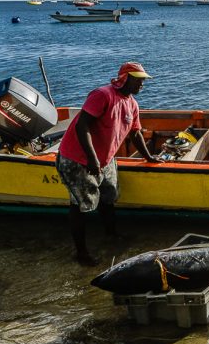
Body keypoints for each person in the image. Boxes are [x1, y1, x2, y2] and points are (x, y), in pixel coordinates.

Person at [56, 62, 160, 266]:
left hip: (106, 159)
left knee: (108, 197)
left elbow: (135, 133)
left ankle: (111, 234)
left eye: (143, 80)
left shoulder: (132, 104)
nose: (142, 84)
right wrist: (92, 158)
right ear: (125, 78)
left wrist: (149, 157)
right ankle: (81, 252)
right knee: (81, 205)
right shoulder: (103, 95)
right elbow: (82, 125)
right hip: (79, 159)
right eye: (138, 79)